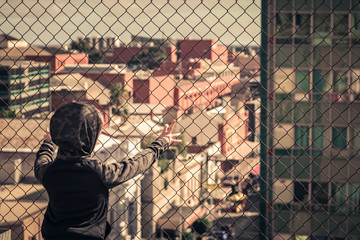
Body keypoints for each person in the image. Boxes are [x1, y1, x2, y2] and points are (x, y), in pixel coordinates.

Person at [34, 102, 181, 240]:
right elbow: (137, 164)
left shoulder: (48, 172)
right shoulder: (99, 173)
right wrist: (161, 142)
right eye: (96, 133)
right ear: (88, 138)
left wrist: (48, 142)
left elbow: (42, 159)